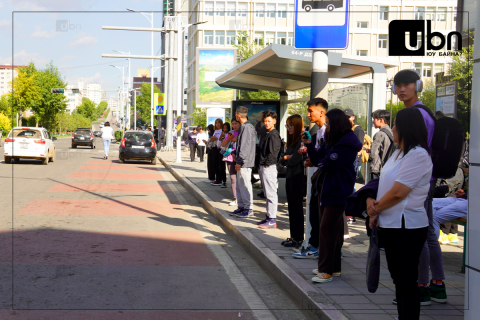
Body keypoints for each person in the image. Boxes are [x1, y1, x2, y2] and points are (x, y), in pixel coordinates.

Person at [366, 107, 432, 319]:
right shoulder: (399, 152)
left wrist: (375, 209)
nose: (392, 128)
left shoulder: (418, 155)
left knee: (406, 281)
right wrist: (371, 203)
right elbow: (385, 185)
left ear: (406, 128)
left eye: (395, 125)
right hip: (392, 224)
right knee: (399, 280)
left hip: (407, 227)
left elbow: (398, 193)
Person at [393, 69, 443, 306]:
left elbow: (413, 153)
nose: (402, 89)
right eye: (398, 85)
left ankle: (421, 287)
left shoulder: (417, 115)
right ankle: (438, 285)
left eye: (407, 84)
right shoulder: (417, 112)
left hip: (417, 183)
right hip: (426, 180)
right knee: (429, 234)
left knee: (420, 234)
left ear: (418, 86)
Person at [303, 108, 362, 284]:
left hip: (338, 190)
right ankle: (333, 267)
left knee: (327, 230)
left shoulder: (347, 143)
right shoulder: (334, 141)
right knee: (332, 231)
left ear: (336, 124)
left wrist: (321, 159)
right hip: (327, 188)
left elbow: (329, 164)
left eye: (328, 123)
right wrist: (308, 145)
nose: (326, 126)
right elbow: (318, 159)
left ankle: (325, 270)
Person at [291, 97, 328, 254]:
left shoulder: (328, 131)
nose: (308, 115)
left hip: (326, 179)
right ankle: (315, 246)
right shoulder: (318, 131)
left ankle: (318, 247)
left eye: (310, 111)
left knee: (321, 216)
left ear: (321, 112)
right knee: (314, 212)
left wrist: (315, 161)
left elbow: (326, 157)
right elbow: (318, 155)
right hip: (318, 178)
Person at [280, 114, 305, 245]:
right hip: (289, 176)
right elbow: (282, 158)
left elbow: (296, 159)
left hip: (297, 176)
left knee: (296, 208)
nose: (289, 129)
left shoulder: (301, 140)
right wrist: (286, 158)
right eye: (287, 126)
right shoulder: (292, 142)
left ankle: (298, 238)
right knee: (292, 207)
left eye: (291, 126)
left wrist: (287, 158)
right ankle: (294, 236)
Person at [257, 110, 281, 229]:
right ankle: (268, 217)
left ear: (274, 121)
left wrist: (266, 165)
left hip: (269, 167)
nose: (266, 123)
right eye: (265, 121)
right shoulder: (268, 133)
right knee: (267, 193)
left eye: (269, 121)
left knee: (271, 193)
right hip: (265, 166)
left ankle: (272, 219)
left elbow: (273, 153)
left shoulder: (274, 135)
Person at [230, 106, 256, 218]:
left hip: (244, 162)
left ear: (238, 115)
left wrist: (239, 161)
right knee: (240, 185)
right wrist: (236, 153)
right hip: (242, 161)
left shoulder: (247, 127)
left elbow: (245, 147)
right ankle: (242, 207)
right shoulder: (244, 127)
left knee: (245, 185)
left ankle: (248, 208)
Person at [369, 109, 393, 180]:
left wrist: (370, 153)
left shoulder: (380, 134)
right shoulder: (391, 132)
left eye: (374, 119)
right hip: (388, 167)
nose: (373, 121)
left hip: (378, 169)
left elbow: (373, 154)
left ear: (381, 120)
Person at [222, 119, 240, 206]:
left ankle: (243, 198)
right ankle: (235, 198)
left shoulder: (242, 132)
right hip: (230, 157)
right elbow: (223, 144)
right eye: (233, 124)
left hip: (240, 157)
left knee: (241, 179)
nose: (234, 125)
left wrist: (236, 139)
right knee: (233, 178)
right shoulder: (230, 132)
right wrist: (229, 138)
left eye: (236, 124)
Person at [255, 113, 268, 198]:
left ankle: (265, 191)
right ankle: (264, 190)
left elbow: (255, 131)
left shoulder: (265, 128)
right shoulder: (263, 128)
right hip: (261, 148)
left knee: (262, 172)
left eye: (262, 117)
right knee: (260, 171)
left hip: (263, 150)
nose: (261, 118)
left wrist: (258, 122)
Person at [210, 119, 225, 186]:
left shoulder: (223, 130)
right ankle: (217, 179)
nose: (217, 124)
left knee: (220, 164)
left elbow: (222, 138)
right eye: (216, 123)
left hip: (220, 148)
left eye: (219, 123)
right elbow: (214, 138)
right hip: (214, 147)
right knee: (214, 163)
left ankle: (220, 179)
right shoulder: (215, 130)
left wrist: (216, 138)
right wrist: (212, 139)